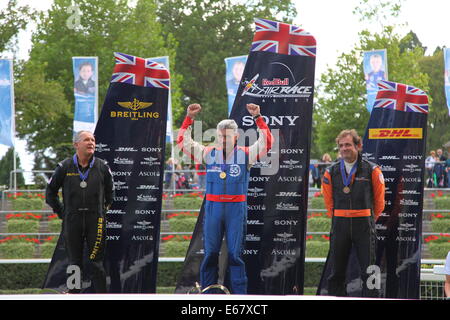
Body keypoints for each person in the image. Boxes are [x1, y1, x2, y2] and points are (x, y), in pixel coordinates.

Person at [177, 102, 273, 294]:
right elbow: (183, 142)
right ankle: (208, 294)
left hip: (235, 211)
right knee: (210, 254)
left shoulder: (246, 154)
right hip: (213, 209)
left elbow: (267, 142)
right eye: (220, 135)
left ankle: (239, 297)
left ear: (236, 137)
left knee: (235, 256)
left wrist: (258, 118)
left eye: (227, 136)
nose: (223, 139)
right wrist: (189, 118)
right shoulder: (208, 153)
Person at [45, 131, 114, 293]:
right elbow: (50, 193)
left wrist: (102, 213)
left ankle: (102, 296)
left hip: (95, 221)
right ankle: (74, 294)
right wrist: (63, 212)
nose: (91, 143)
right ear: (76, 145)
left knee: (95, 262)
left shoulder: (102, 166)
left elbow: (111, 194)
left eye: (93, 140)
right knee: (74, 262)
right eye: (86, 140)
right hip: (72, 220)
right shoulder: (64, 166)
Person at [321, 129, 385, 297]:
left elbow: (379, 203)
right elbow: (328, 202)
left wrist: (369, 218)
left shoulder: (373, 170)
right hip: (340, 225)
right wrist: (338, 217)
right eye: (341, 146)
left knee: (370, 272)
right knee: (336, 273)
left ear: (359, 146)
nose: (344, 149)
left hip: (364, 225)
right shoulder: (330, 171)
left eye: (348, 144)